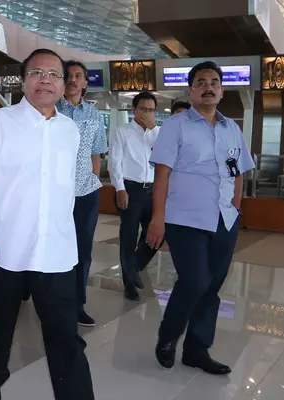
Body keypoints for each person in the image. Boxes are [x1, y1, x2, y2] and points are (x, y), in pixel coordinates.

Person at [0, 48, 94, 400]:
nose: (45, 79)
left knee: (65, 338)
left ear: (64, 85)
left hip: (57, 254)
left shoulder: (70, 130)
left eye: (53, 74)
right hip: (9, 252)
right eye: (36, 73)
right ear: (24, 80)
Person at [147, 61, 255, 375]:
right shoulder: (176, 125)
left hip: (224, 218)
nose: (208, 87)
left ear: (221, 90)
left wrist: (235, 209)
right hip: (185, 218)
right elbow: (162, 174)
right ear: (191, 89)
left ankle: (197, 350)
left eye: (214, 82)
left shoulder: (231, 127)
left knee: (212, 287)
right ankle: (168, 337)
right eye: (201, 82)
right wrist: (157, 218)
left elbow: (239, 172)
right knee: (195, 281)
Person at [56, 60, 108, 327]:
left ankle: (77, 303)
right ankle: (49, 297)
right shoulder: (50, 111)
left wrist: (93, 179)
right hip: (54, 193)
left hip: (85, 193)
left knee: (82, 250)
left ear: (86, 83)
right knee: (53, 246)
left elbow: (95, 153)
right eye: (69, 75)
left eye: (79, 76)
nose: (73, 79)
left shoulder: (95, 115)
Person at [108, 91, 161, 301]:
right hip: (131, 189)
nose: (146, 113)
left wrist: (153, 128)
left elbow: (168, 155)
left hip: (154, 190)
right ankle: (129, 282)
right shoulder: (122, 132)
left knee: (155, 235)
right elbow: (115, 162)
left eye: (150, 110)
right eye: (142, 109)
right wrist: (120, 189)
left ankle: (135, 266)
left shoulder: (159, 133)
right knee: (128, 237)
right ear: (134, 110)